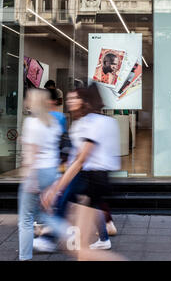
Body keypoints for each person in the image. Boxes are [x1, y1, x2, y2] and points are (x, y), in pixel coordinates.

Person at [41, 84, 124, 260]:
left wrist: (55, 189)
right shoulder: (104, 121)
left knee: (81, 249)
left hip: (91, 181)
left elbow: (80, 160)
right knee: (81, 248)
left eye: (76, 98)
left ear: (86, 101)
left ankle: (49, 236)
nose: (71, 102)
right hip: (97, 180)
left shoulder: (91, 123)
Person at [18, 89, 62, 260]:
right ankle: (66, 230)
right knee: (44, 213)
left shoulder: (31, 123)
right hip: (51, 172)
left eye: (28, 98)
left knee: (26, 219)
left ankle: (24, 257)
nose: (26, 101)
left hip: (36, 173)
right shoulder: (53, 123)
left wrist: (30, 179)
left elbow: (31, 156)